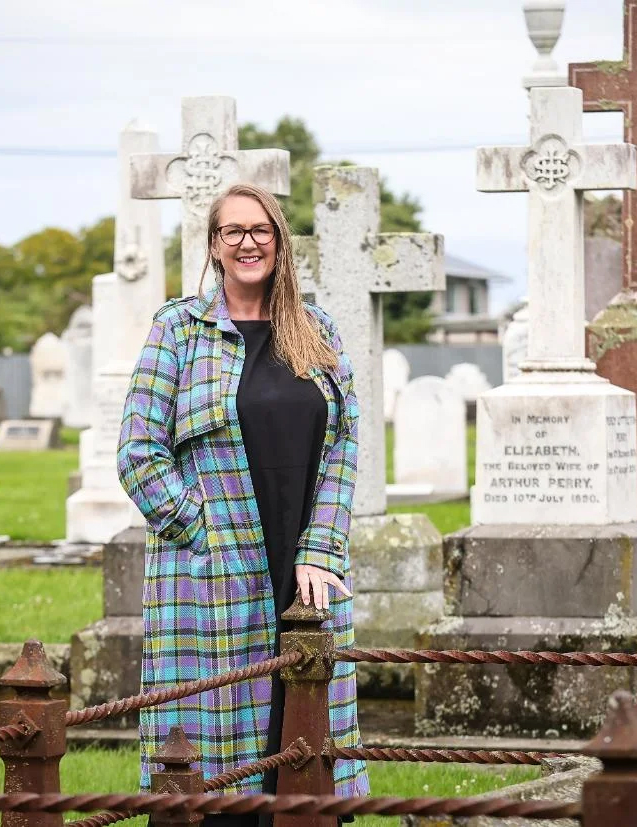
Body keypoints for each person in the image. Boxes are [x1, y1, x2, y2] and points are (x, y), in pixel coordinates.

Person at [117, 182, 369, 822]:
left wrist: (322, 547)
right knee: (219, 758)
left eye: (261, 230)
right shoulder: (180, 330)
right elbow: (138, 451)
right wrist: (203, 531)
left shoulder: (316, 330)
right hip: (213, 574)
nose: (248, 242)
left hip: (304, 567)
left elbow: (343, 444)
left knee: (308, 738)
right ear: (213, 245)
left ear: (279, 242)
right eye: (233, 231)